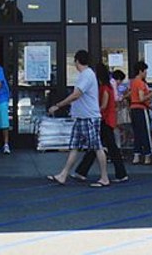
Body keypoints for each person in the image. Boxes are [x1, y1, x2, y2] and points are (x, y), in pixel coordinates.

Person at [45, 50, 110, 187]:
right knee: (74, 147)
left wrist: (58, 105)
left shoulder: (87, 75)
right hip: (81, 117)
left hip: (89, 118)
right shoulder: (85, 75)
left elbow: (76, 94)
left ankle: (104, 178)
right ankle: (63, 175)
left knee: (97, 147)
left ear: (77, 61)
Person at [74, 63, 128, 183]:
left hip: (105, 120)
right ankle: (82, 171)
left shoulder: (104, 88)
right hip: (107, 120)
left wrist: (93, 110)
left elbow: (104, 105)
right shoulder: (107, 86)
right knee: (98, 147)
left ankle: (120, 173)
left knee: (104, 147)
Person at [128, 61, 152, 165]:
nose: (146, 73)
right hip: (141, 109)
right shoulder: (140, 83)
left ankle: (136, 156)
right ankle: (148, 156)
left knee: (137, 133)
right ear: (141, 71)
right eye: (145, 71)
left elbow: (131, 94)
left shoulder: (133, 82)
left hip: (133, 109)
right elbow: (141, 98)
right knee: (145, 133)